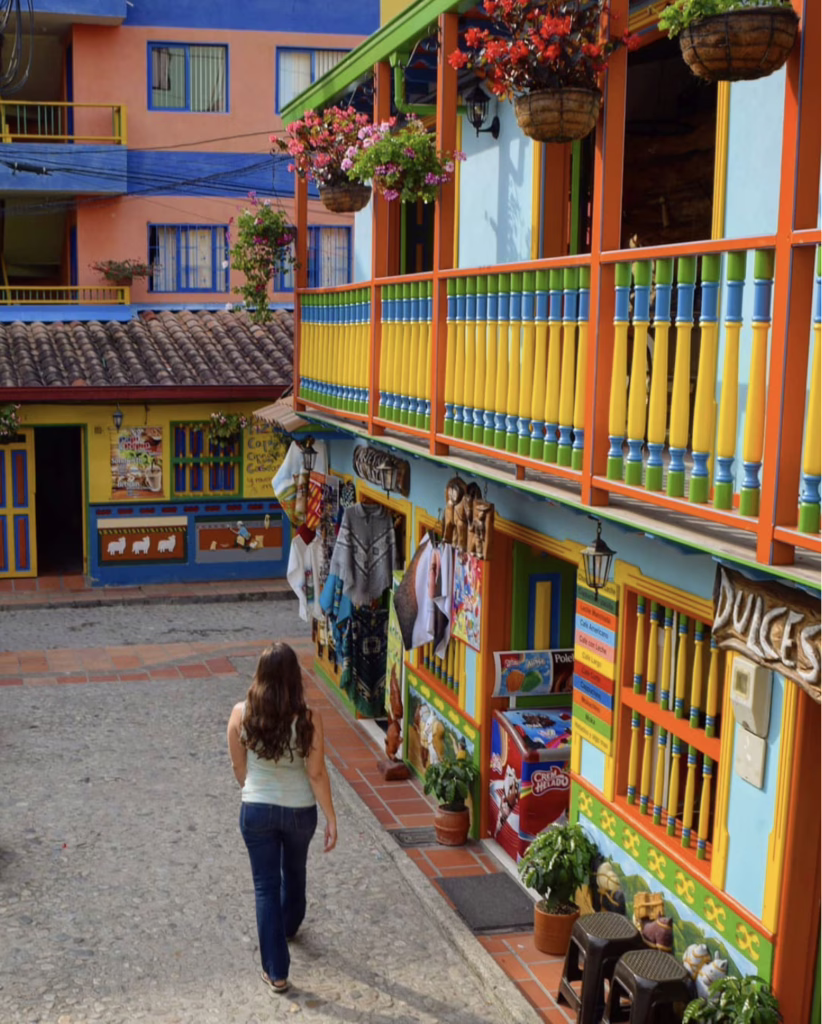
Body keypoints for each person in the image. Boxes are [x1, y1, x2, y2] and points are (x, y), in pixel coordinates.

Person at [227, 642, 337, 994]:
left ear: (260, 675)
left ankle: (276, 971)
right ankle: (288, 926)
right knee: (295, 871)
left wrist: (257, 793)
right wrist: (331, 817)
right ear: (295, 678)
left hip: (257, 810)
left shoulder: (240, 714)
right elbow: (316, 773)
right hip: (300, 812)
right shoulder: (309, 719)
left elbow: (239, 768)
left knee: (265, 886)